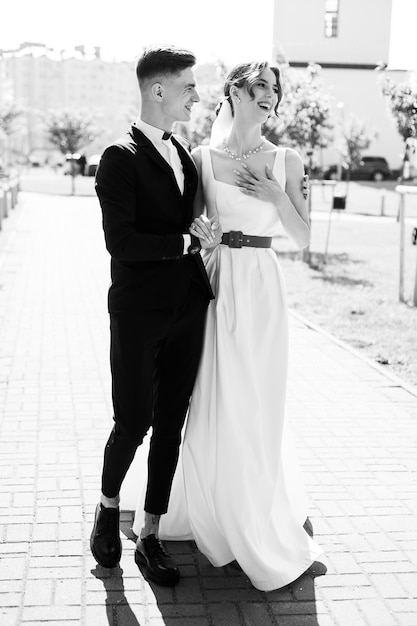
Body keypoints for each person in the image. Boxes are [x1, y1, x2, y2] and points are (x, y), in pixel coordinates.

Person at [131, 60, 323, 591]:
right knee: (214, 398)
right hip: (214, 289)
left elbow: (304, 237)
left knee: (257, 400)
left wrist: (274, 194)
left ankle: (255, 514)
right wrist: (202, 231)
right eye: (259, 85)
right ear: (234, 92)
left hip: (261, 288)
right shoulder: (202, 158)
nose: (269, 94)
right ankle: (213, 505)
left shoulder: (287, 158)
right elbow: (196, 226)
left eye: (275, 89)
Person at [90, 45, 222, 587]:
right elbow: (120, 241)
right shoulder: (118, 157)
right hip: (139, 310)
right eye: (189, 86)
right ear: (158, 91)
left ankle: (149, 534)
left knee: (171, 423)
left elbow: (190, 225)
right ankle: (106, 506)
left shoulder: (186, 154)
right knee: (134, 420)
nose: (196, 95)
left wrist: (205, 239)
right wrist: (186, 244)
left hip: (189, 308)